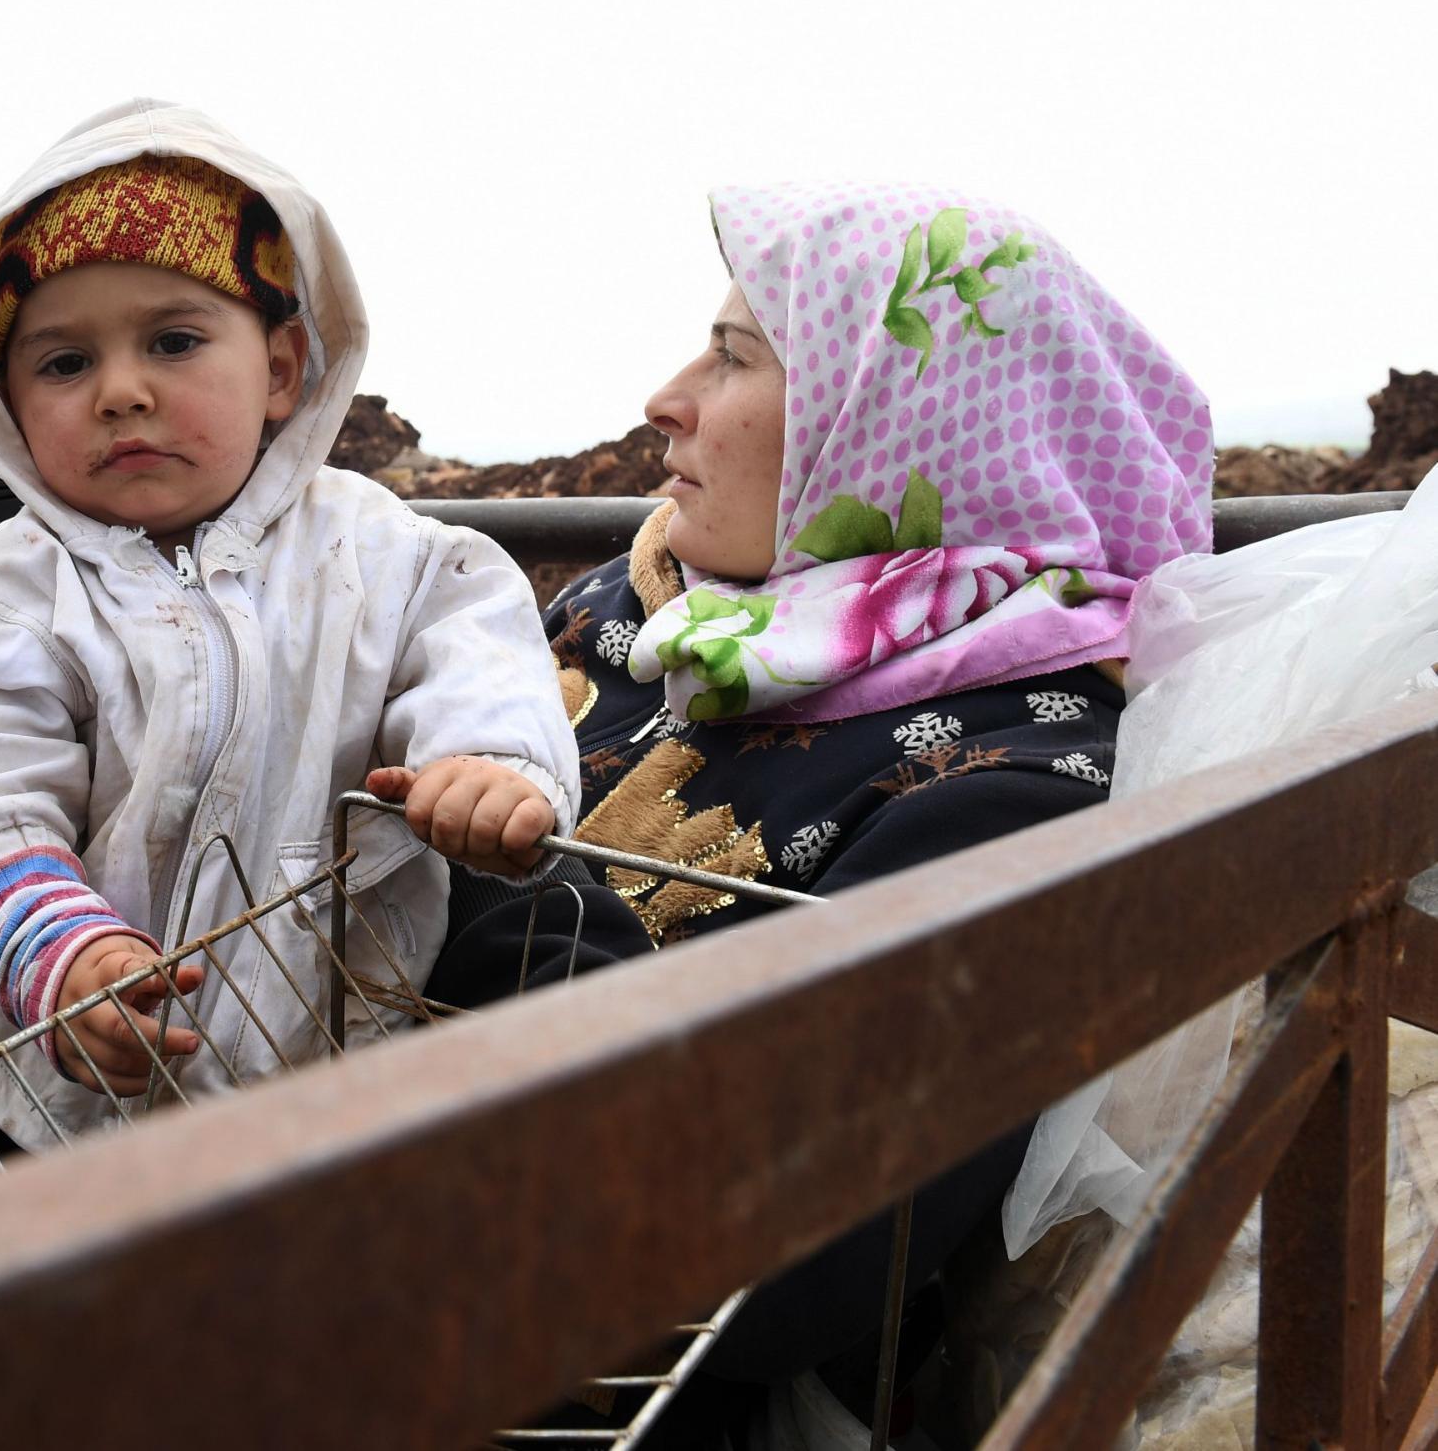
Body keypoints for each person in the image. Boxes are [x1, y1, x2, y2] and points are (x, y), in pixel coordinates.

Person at [428, 180, 1213, 1443]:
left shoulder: (1012, 785)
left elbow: (779, 1270)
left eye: (734, 355)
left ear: (904, 421)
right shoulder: (634, 620)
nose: (664, 397)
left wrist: (499, 861)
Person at [0, 102, 578, 1185]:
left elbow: (474, 649)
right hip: (48, 1060)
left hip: (352, 1016)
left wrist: (488, 767)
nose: (121, 390)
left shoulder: (387, 553)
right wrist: (57, 953)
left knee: (558, 934)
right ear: (3, 406)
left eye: (174, 341)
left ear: (281, 368)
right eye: (61, 364)